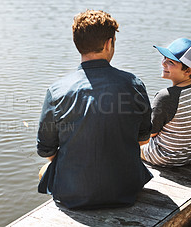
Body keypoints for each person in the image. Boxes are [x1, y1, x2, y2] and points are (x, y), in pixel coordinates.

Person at [36, 10, 153, 209]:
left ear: (77, 44)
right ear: (109, 43)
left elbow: (46, 149)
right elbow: (143, 139)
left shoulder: (56, 91)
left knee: (44, 170)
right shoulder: (134, 84)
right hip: (126, 190)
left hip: (72, 194)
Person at [140, 38, 191, 167]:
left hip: (167, 157)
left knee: (124, 140)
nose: (163, 63)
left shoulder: (166, 96)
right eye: (164, 58)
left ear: (188, 71)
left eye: (170, 62)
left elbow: (151, 133)